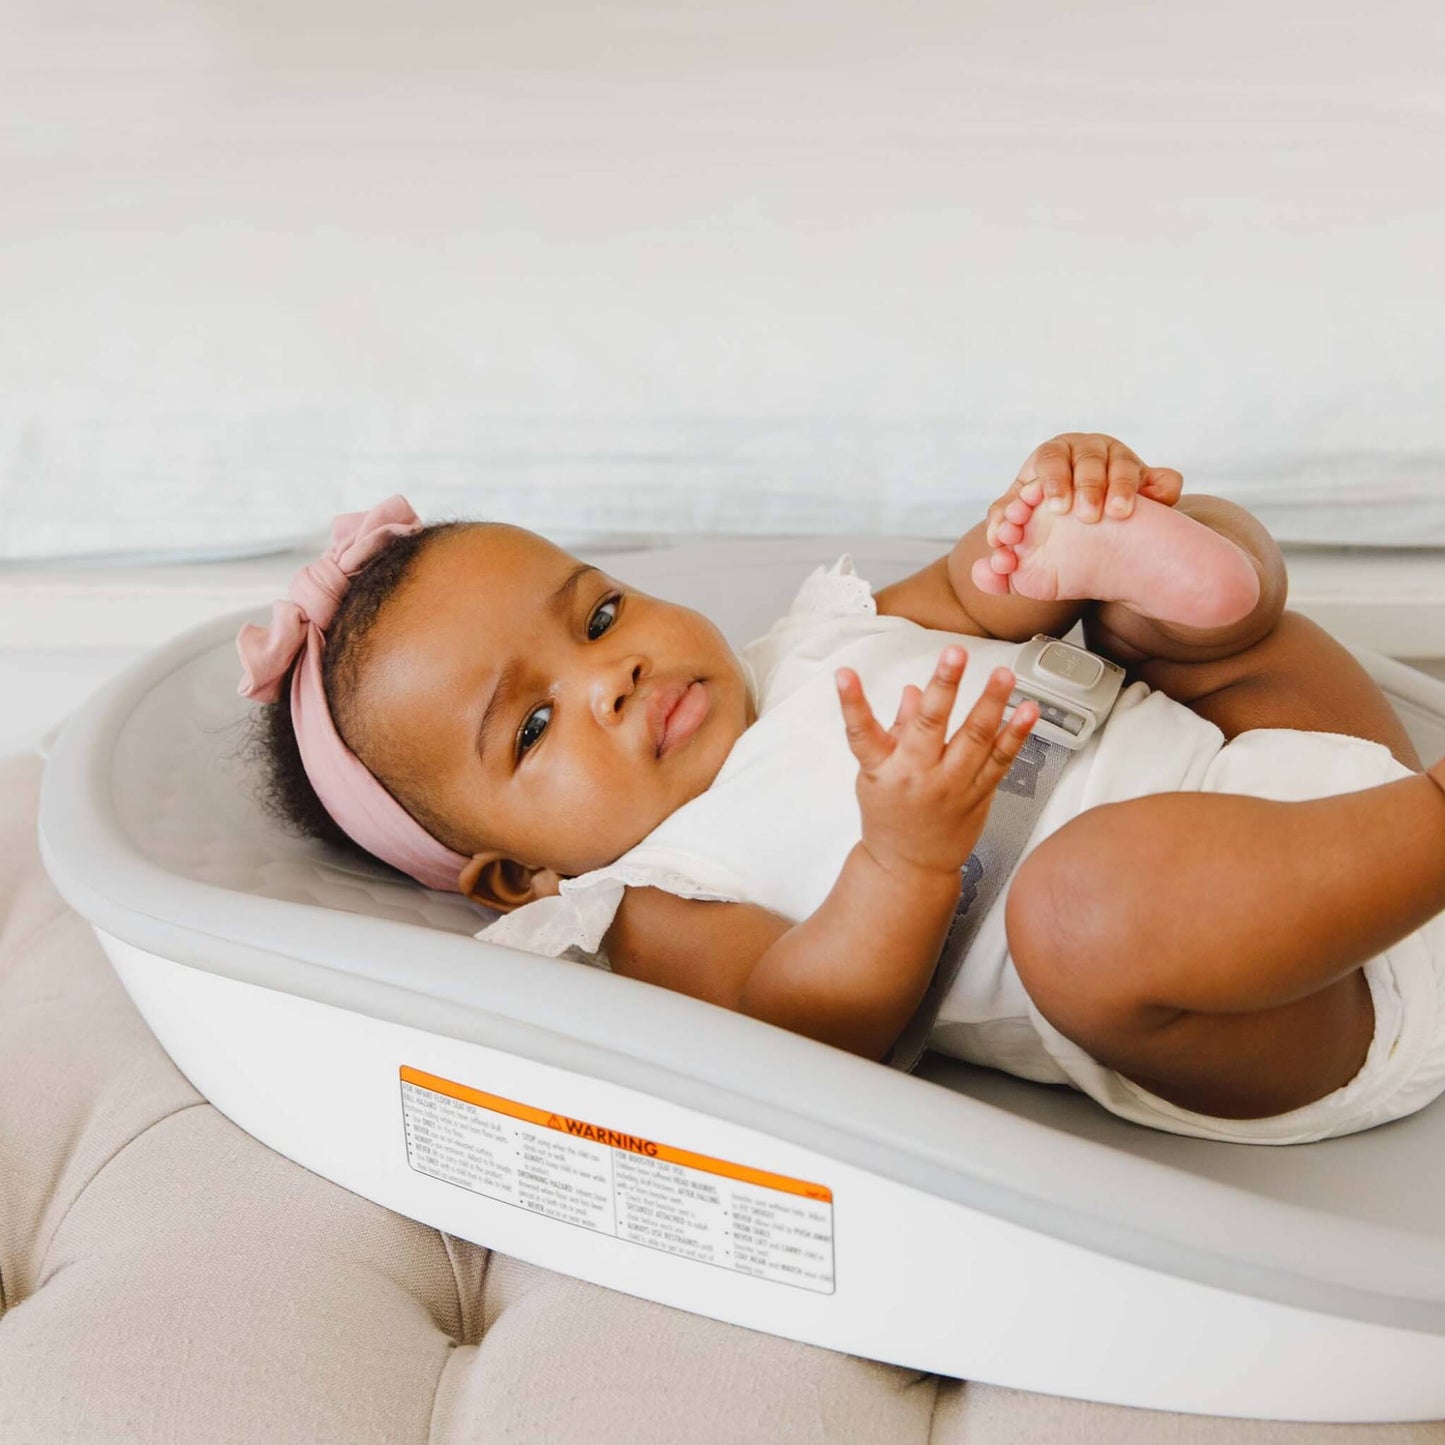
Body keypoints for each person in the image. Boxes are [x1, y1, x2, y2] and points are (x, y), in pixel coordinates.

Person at [236, 433, 1445, 1143]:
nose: (616, 672)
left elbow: (973, 598)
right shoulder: (654, 894)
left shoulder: (807, 642)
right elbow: (807, 1021)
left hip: (1312, 773)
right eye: (536, 723)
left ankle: (1195, 576)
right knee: (1078, 909)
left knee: (1163, 610)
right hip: (1294, 1002)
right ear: (517, 872)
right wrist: (905, 859)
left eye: (597, 612)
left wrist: (1037, 532)